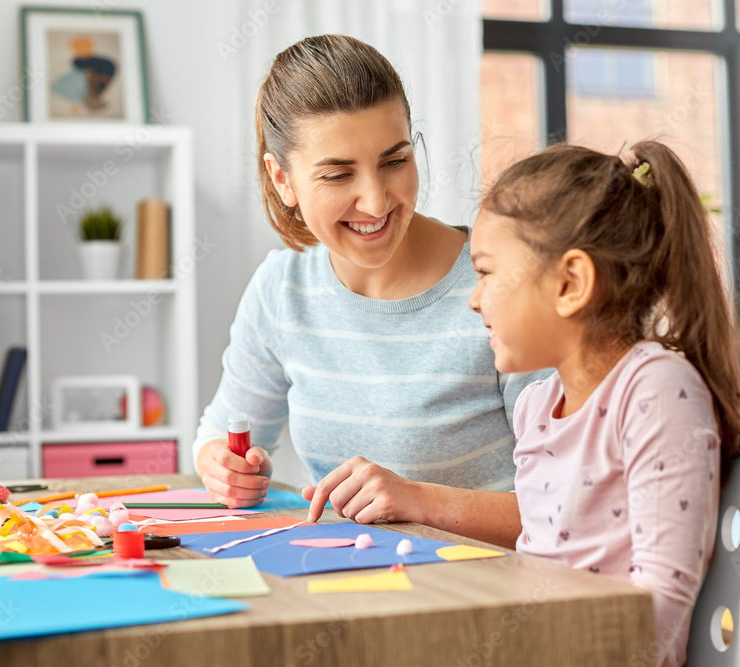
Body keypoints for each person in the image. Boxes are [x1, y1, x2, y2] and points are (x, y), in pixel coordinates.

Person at [193, 34, 542, 547]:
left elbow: (571, 510)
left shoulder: (497, 284)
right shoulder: (282, 289)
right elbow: (219, 434)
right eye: (338, 174)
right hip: (348, 588)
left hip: (486, 600)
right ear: (282, 179)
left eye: (395, 161)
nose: (376, 201)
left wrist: (421, 501)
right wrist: (222, 465)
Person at [467, 141, 740, 666]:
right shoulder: (535, 407)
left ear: (570, 283)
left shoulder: (655, 391)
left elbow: (660, 607)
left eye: (486, 271)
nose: (474, 297)